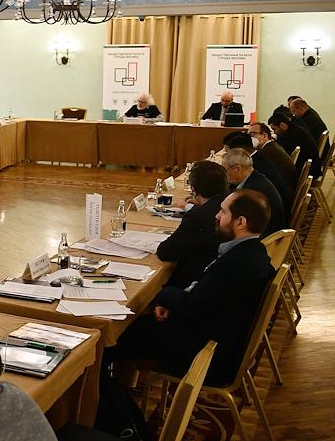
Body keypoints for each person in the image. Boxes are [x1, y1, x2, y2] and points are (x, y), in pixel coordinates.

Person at [106, 189, 275, 386]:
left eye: (223, 212)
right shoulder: (256, 253)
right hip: (219, 341)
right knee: (136, 326)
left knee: (115, 336)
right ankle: (121, 387)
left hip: (207, 357)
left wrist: (162, 295)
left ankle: (106, 395)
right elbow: (204, 299)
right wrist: (173, 303)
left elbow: (193, 307)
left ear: (240, 222)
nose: (217, 215)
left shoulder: (235, 264)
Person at [157, 160, 229, 289]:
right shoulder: (231, 203)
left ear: (194, 190)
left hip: (196, 284)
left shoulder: (198, 216)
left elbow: (166, 252)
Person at [222, 149, 286, 236]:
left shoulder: (252, 192)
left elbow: (241, 223)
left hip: (267, 237)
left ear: (237, 169)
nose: (224, 175)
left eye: (225, 170)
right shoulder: (256, 178)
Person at [224, 131, 291, 209]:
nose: (226, 155)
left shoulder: (255, 168)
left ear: (239, 151)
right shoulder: (258, 159)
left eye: (228, 153)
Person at [248, 122, 298, 196]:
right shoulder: (272, 146)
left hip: (283, 194)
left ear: (264, 135)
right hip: (286, 189)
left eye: (252, 134)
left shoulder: (267, 152)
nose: (250, 138)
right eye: (249, 135)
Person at [269, 111, 320, 179]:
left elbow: (283, 154)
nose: (274, 132)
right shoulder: (294, 129)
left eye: (274, 129)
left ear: (282, 125)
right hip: (310, 167)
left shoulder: (293, 135)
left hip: (307, 172)